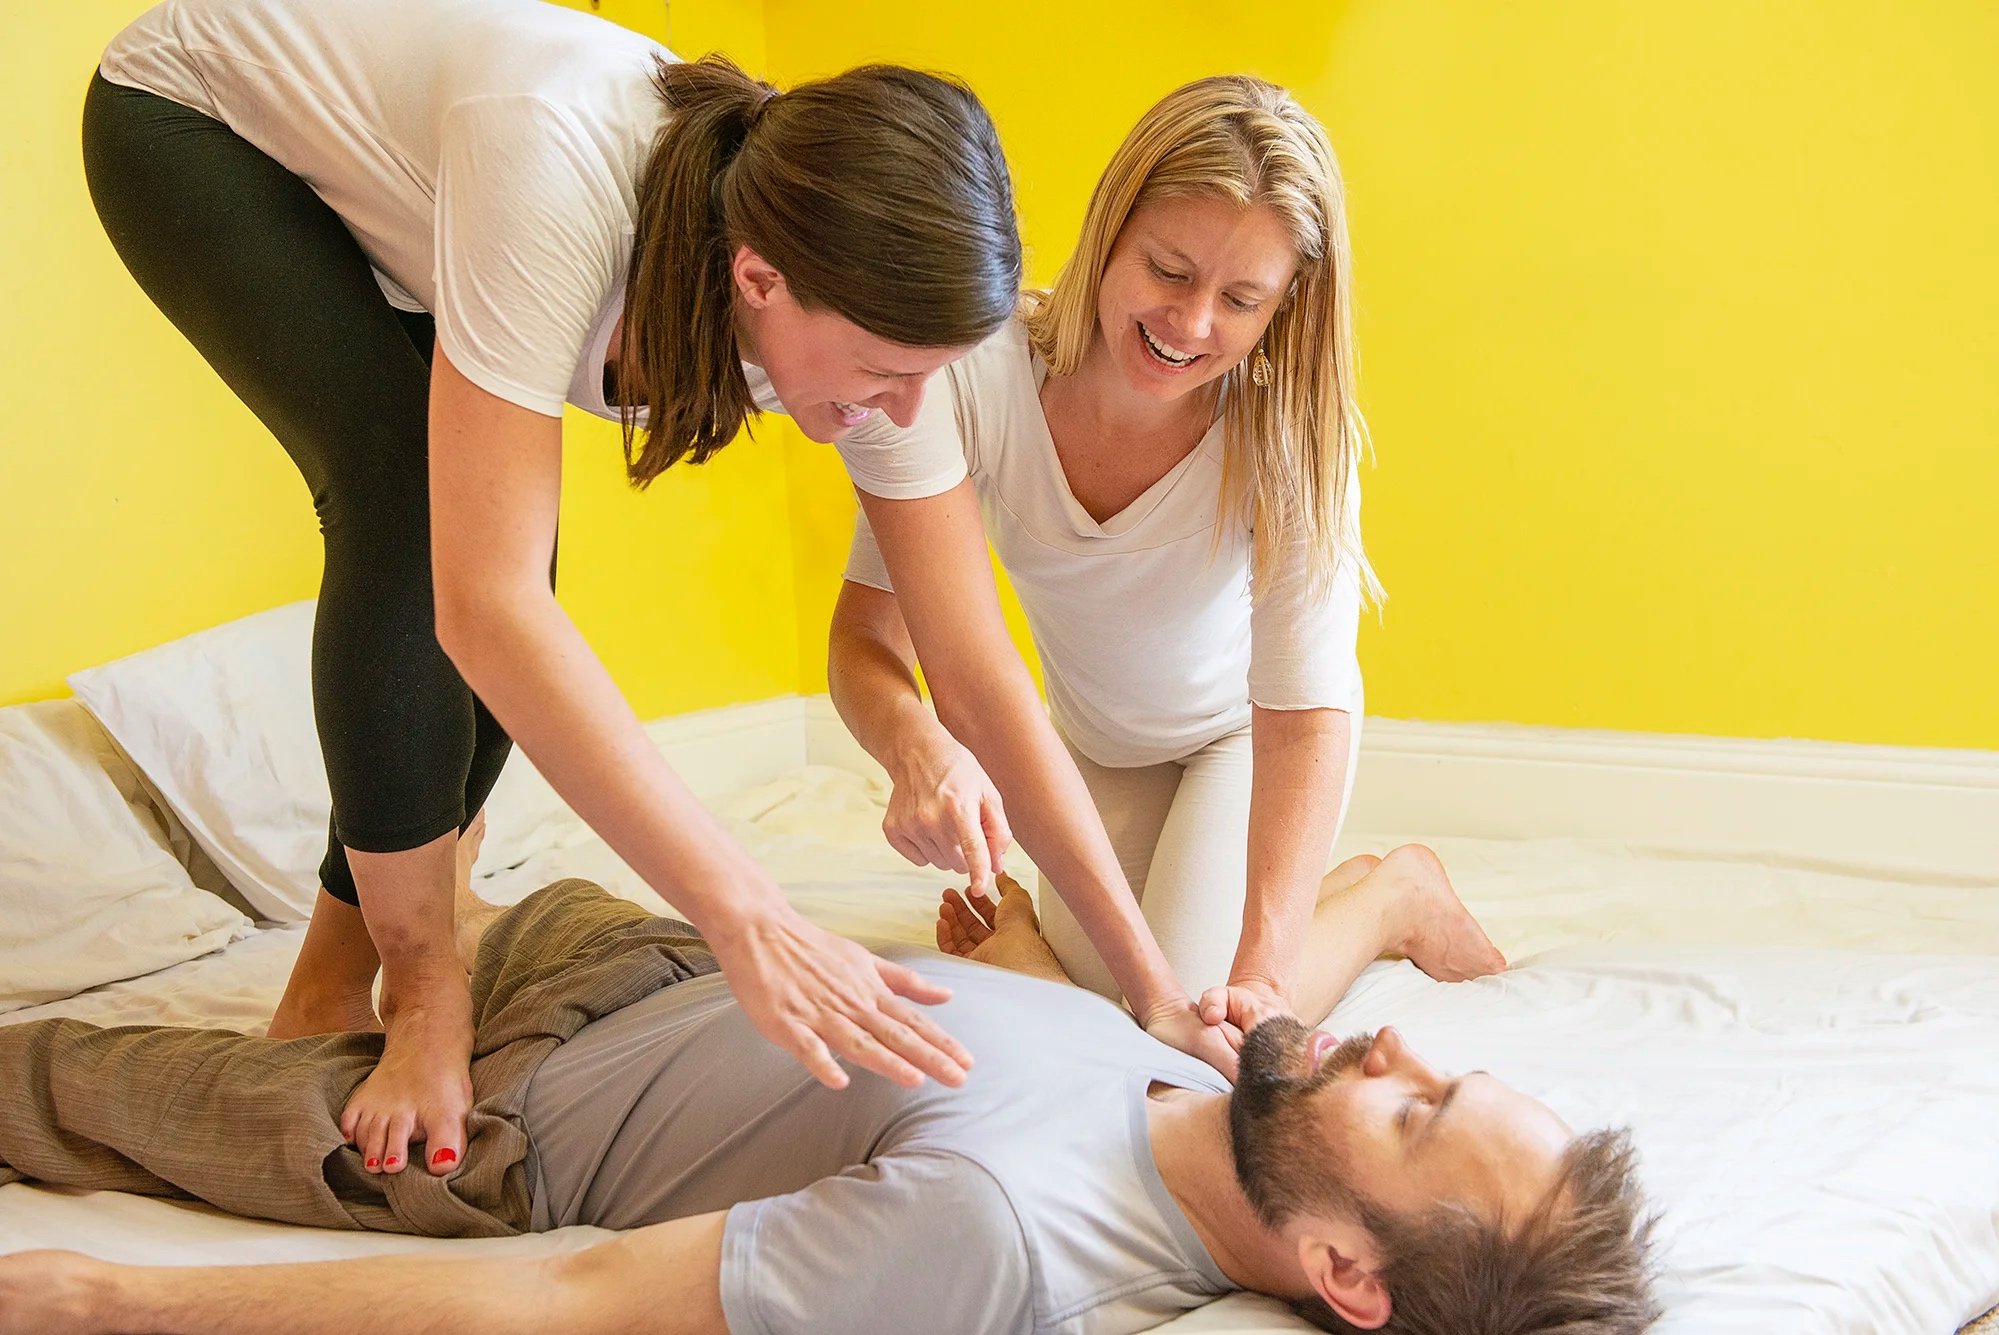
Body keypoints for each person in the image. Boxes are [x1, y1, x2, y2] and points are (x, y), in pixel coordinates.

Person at [84, 0, 1230, 1181]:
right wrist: (751, 917)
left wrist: (1152, 989)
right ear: (760, 279)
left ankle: (334, 971)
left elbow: (979, 681)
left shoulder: (885, 326)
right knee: (416, 507)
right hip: (199, 123)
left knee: (485, 557)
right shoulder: (556, 167)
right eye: (886, 377)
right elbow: (487, 609)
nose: (902, 413)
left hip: (422, 165)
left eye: (925, 381)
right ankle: (422, 987)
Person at [0, 824, 1657, 1335]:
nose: (1391, 1054)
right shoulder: (1210, 1108)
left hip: (497, 1124)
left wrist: (100, 1304)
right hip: (654, 960)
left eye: (1417, 1110)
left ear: (1342, 1274)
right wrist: (1003, 941)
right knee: (441, 810)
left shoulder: (993, 1236)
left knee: (53, 1077)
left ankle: (341, 1000)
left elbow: (569, 1297)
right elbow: (995, 1056)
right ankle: (371, 932)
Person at [828, 74, 1506, 1037]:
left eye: (1240, 299)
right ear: (1111, 231)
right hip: (1094, 744)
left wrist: (1264, 975)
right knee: (1127, 999)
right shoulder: (973, 376)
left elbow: (1302, 715)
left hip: (1237, 739)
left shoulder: (1293, 437)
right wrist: (916, 741)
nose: (1190, 325)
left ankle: (1387, 896)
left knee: (1185, 1030)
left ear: (1283, 309)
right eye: (1169, 270)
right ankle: (1081, 946)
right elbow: (864, 639)